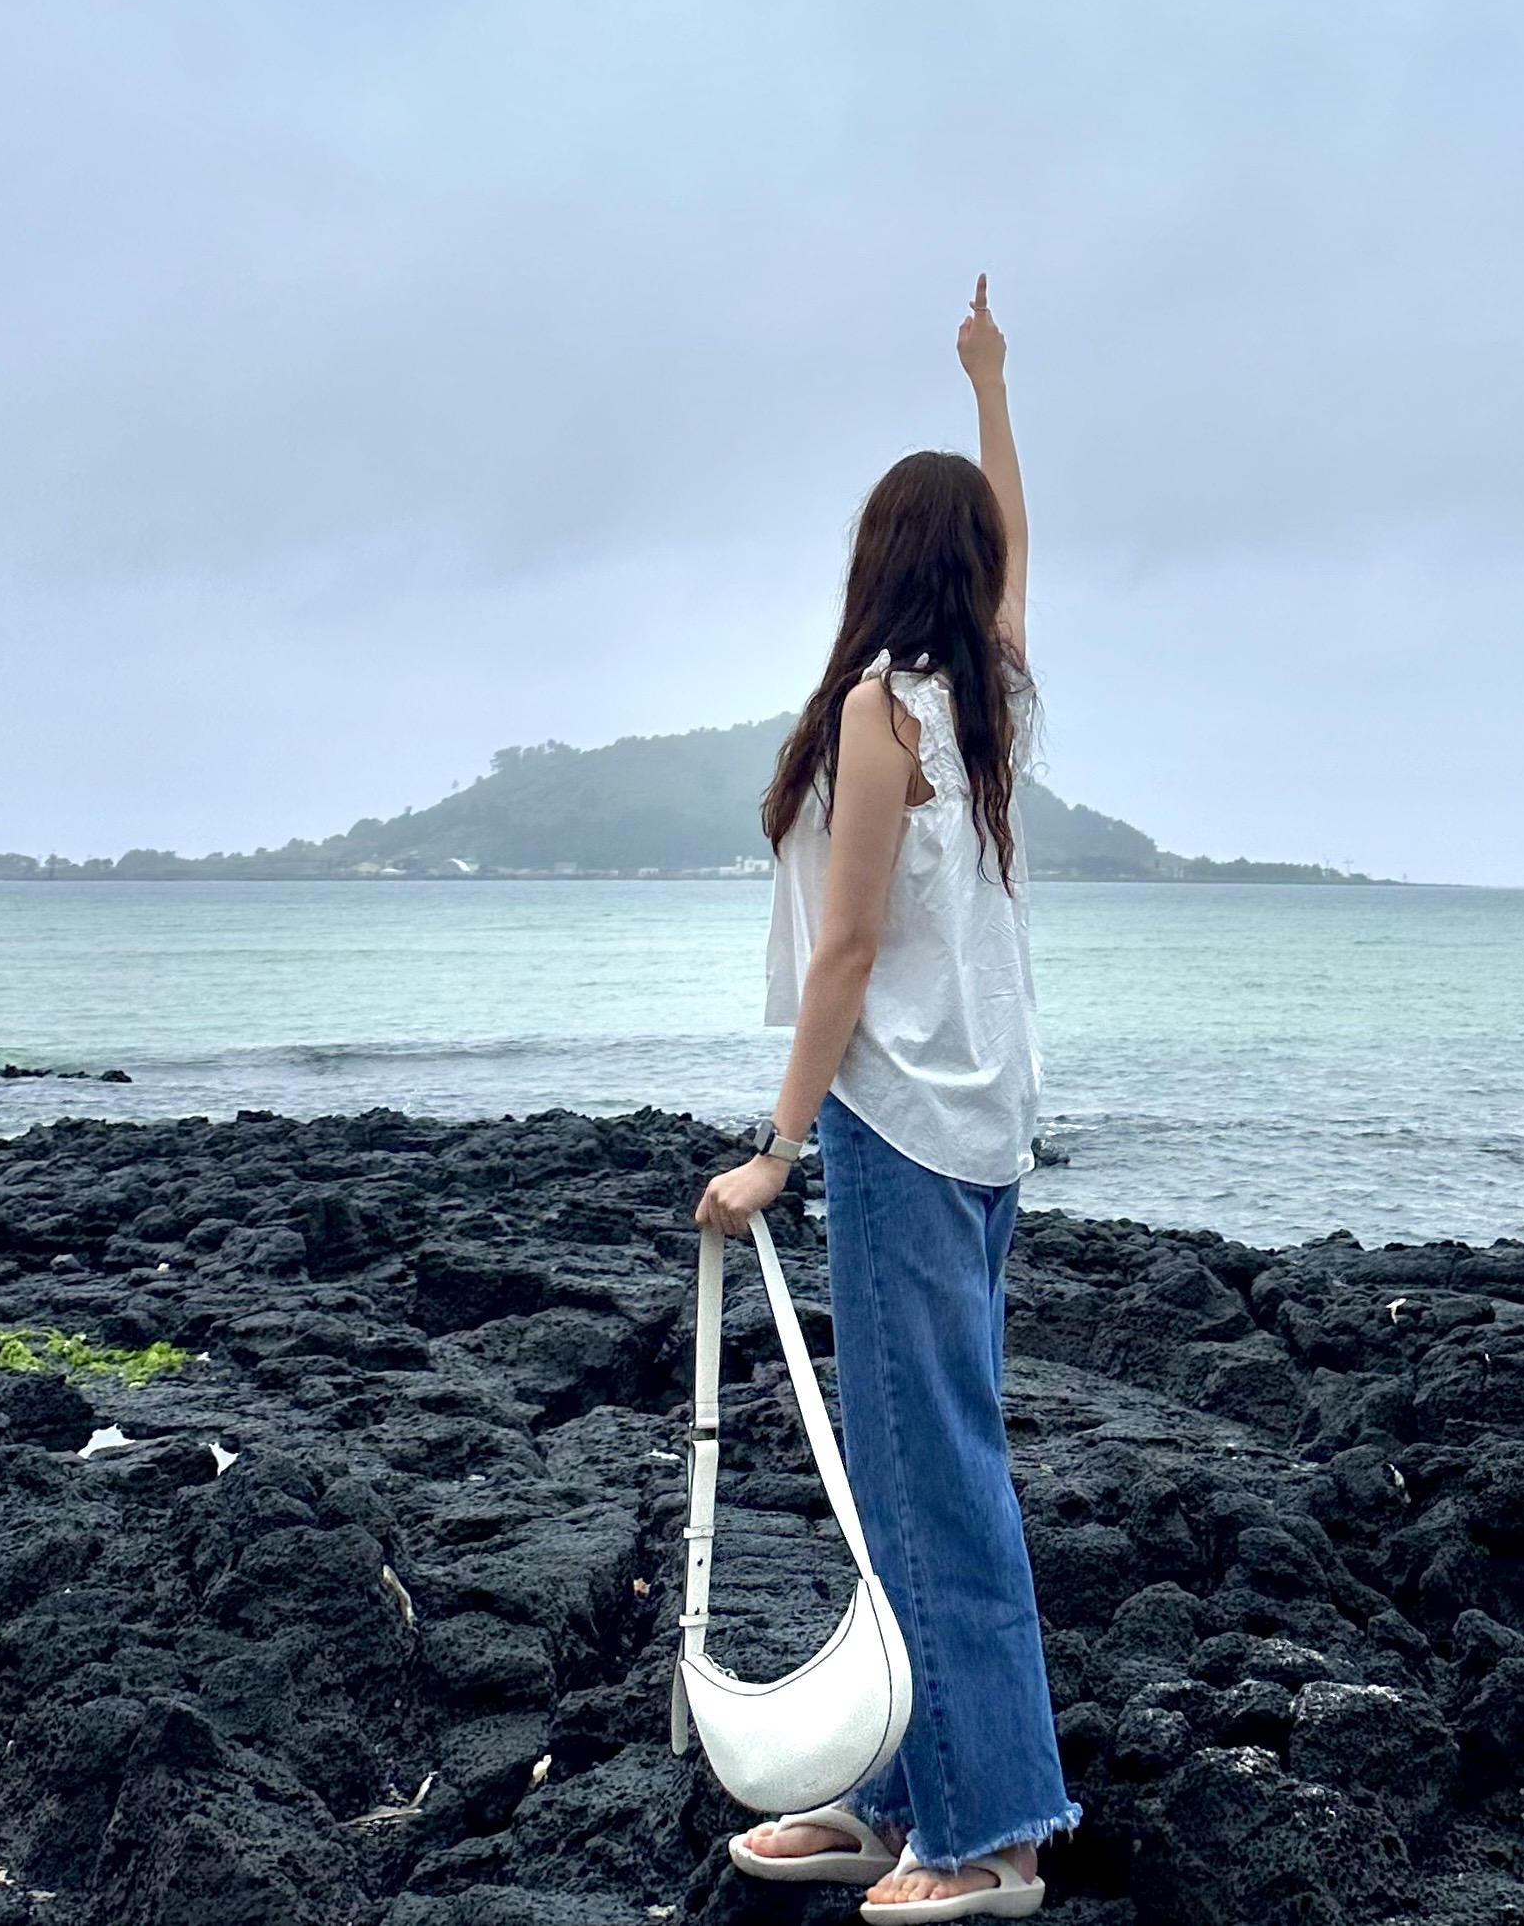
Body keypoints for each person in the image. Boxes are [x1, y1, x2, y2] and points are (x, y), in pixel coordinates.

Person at [695, 278, 1075, 1921]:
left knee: (928, 1474)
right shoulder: (986, 695)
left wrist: (776, 1148)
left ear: (874, 562)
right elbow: (1021, 549)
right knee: (926, 1458)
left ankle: (993, 1834)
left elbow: (843, 949)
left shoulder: (881, 708)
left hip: (901, 1124)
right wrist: (991, 382)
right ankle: (904, 1789)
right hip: (980, 1124)